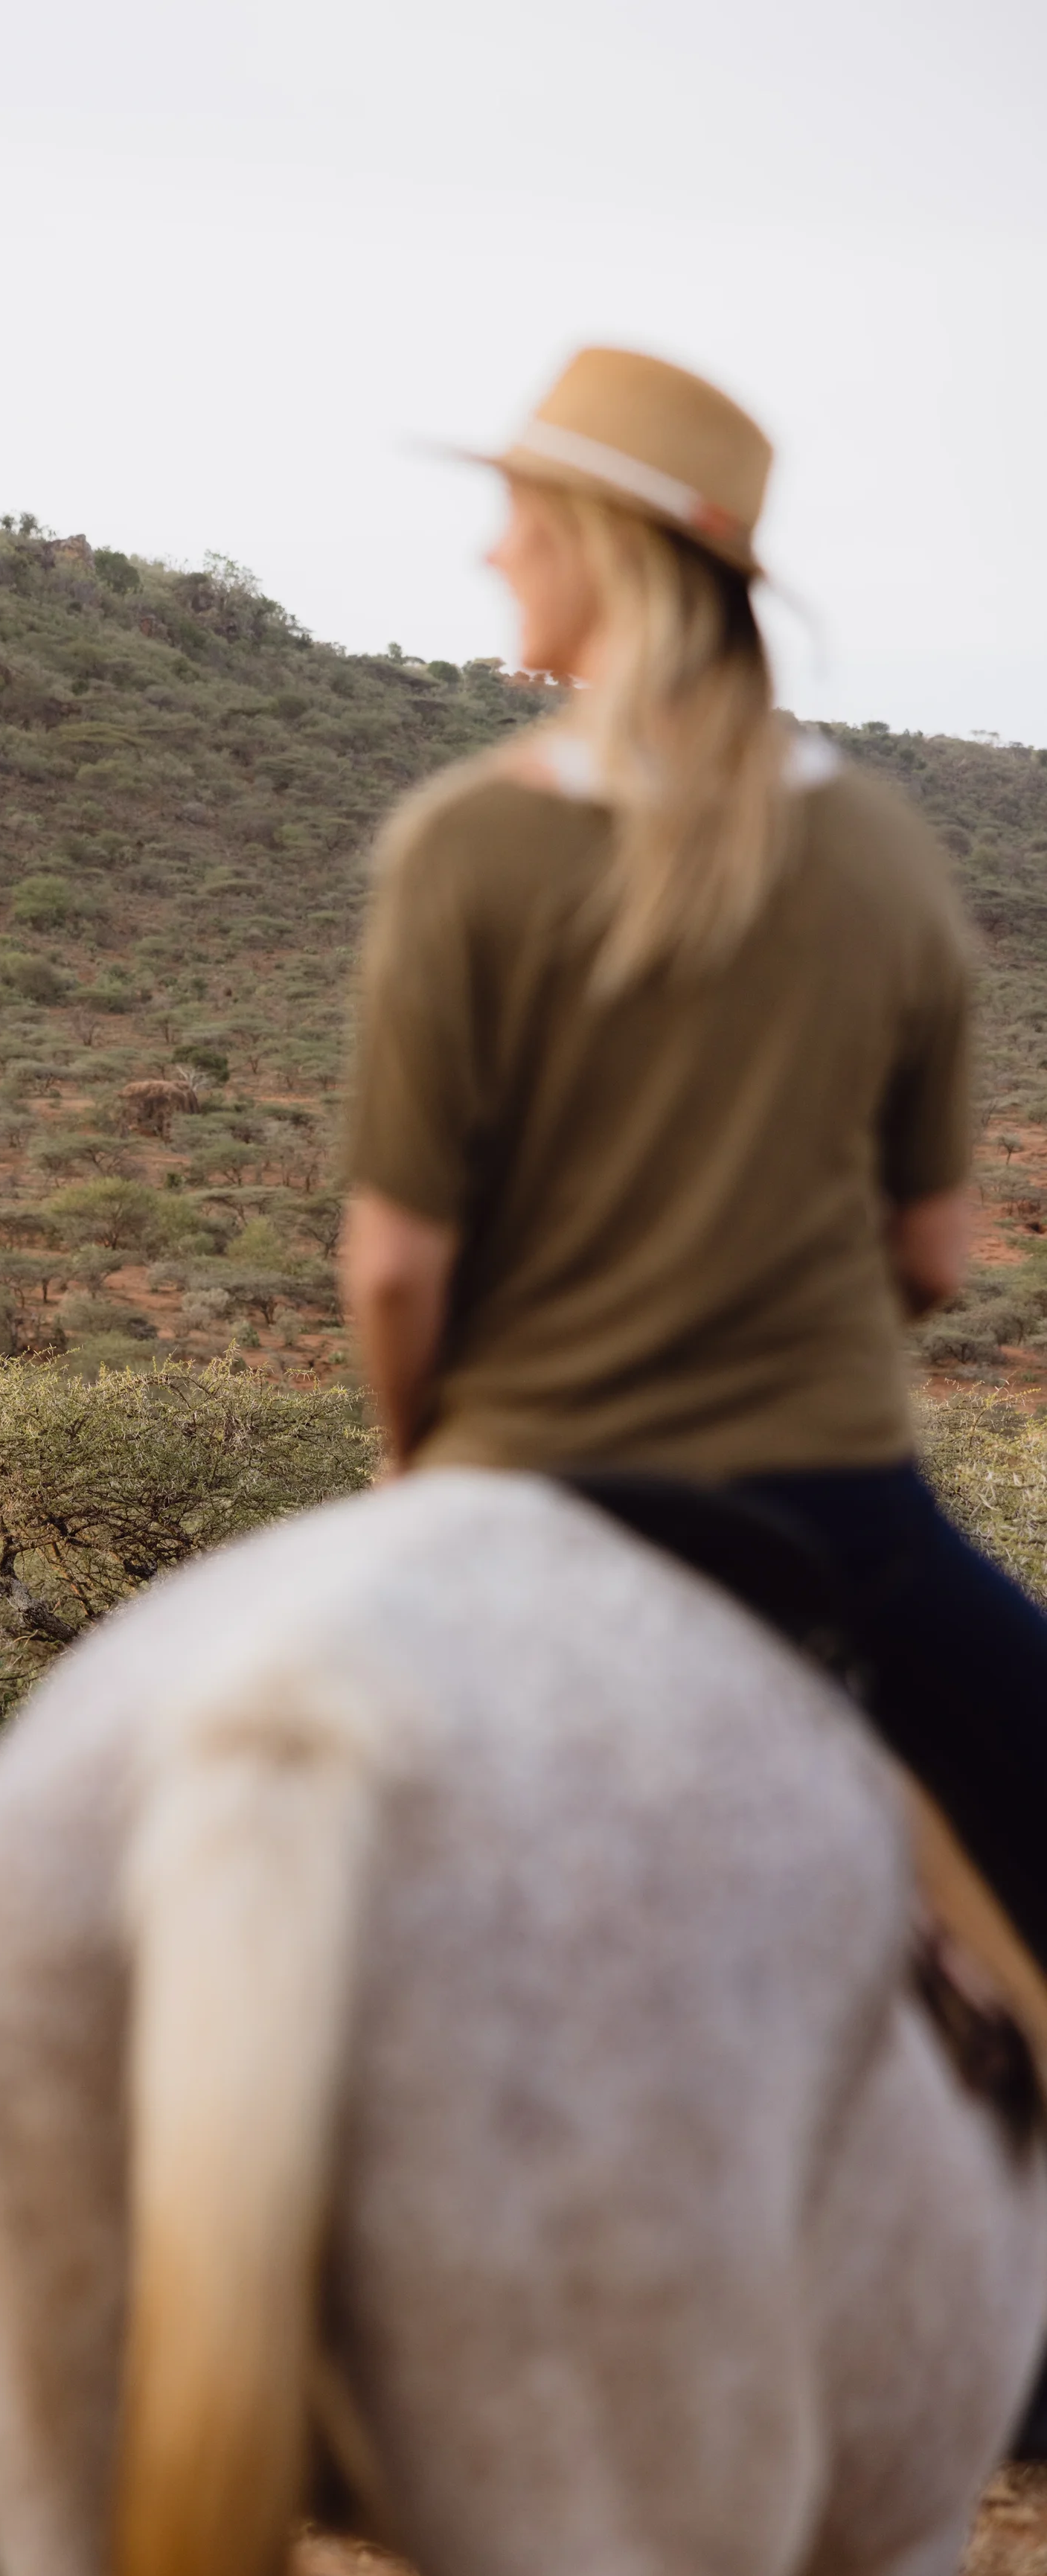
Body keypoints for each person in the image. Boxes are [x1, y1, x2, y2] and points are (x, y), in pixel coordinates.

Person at [339, 343, 1047, 1976]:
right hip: (827, 1508)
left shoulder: (463, 843)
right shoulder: (879, 852)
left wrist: (418, 1465)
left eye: (515, 513)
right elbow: (932, 1256)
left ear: (600, 544)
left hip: (515, 1482)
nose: (490, 548)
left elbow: (392, 1266)